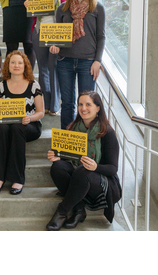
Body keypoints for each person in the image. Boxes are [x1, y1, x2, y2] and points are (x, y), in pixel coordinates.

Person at [46, 91, 122, 230]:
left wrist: (96, 167)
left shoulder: (107, 132)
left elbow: (113, 168)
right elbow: (71, 157)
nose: (83, 108)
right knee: (57, 167)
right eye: (80, 104)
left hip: (104, 182)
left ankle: (61, 212)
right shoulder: (74, 128)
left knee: (83, 170)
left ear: (98, 108)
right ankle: (79, 209)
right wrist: (58, 156)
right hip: (81, 176)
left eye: (88, 104)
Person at [50, 0, 106, 130]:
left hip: (88, 63)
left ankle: (85, 142)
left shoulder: (97, 8)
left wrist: (97, 61)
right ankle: (67, 143)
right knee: (67, 103)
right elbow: (57, 36)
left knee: (87, 106)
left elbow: (101, 37)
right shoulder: (62, 9)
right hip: (64, 61)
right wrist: (54, 45)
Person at [0, 51, 44, 195]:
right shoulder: (1, 86)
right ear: (7, 66)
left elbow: (41, 112)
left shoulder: (33, 85)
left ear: (25, 66)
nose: (16, 65)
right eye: (13, 62)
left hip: (30, 125)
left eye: (20, 63)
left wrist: (29, 118)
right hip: (9, 125)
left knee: (18, 127)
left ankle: (17, 178)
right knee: (2, 128)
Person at [24, 0, 70, 116]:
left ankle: (55, 105)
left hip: (56, 32)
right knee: (42, 68)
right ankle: (46, 103)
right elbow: (34, 14)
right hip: (39, 32)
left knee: (54, 67)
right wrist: (28, 6)